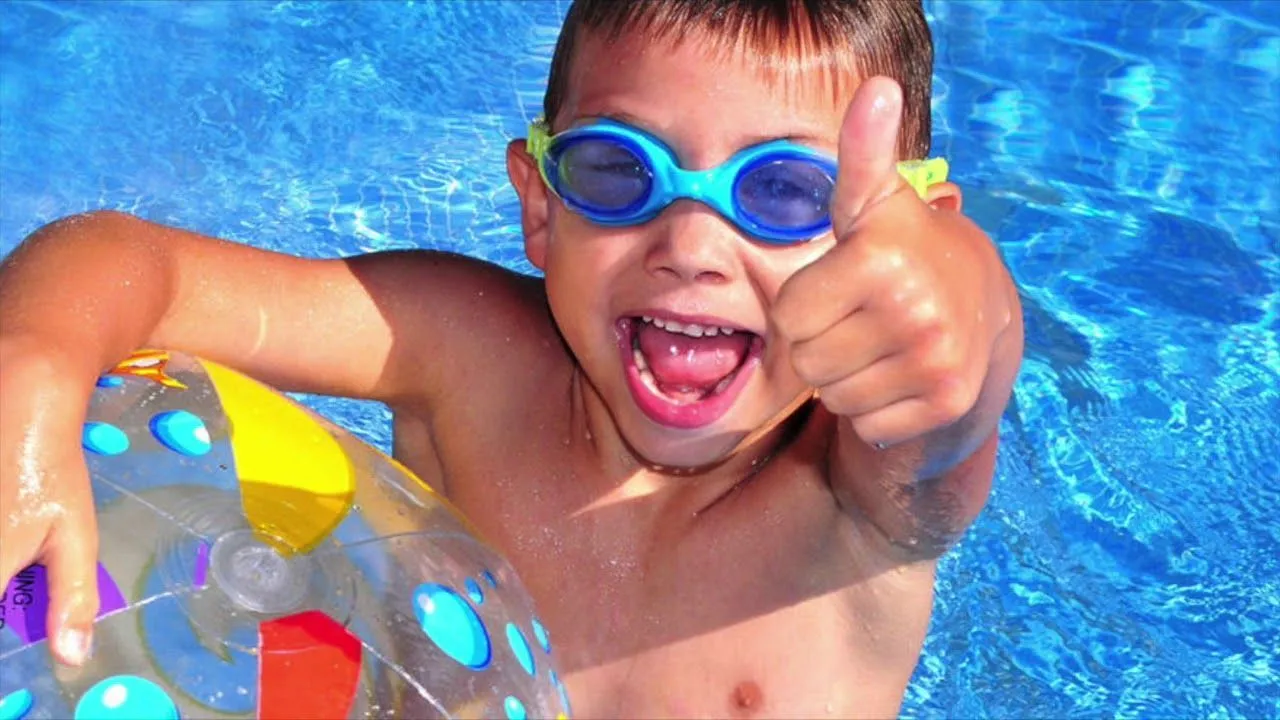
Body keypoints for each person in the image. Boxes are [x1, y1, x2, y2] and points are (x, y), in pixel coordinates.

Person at [0, 0, 1024, 716]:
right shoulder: (465, 357)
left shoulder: (855, 501)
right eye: (617, 170)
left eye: (787, 192)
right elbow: (139, 266)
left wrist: (964, 299)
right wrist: (35, 358)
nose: (690, 245)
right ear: (538, 207)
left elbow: (953, 413)